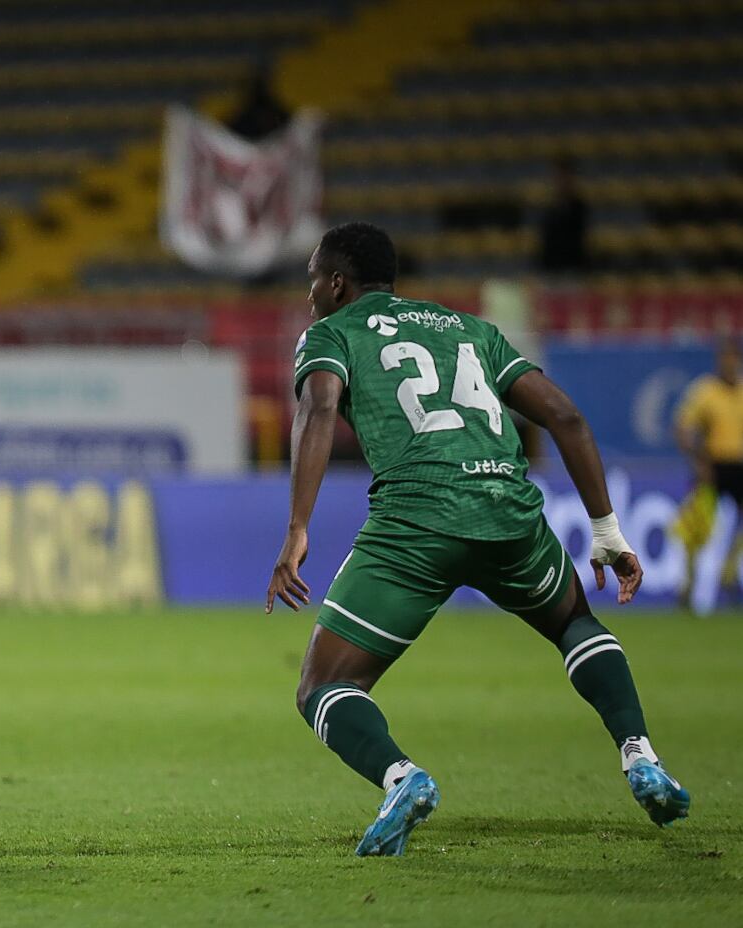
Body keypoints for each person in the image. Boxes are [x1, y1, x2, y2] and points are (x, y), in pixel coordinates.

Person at [265, 222, 689, 857]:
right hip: (507, 511)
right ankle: (641, 757)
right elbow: (566, 416)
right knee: (574, 620)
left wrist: (298, 528)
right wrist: (605, 530)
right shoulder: (469, 329)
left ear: (335, 282)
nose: (308, 297)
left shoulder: (330, 334)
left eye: (311, 283)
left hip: (416, 522)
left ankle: (401, 780)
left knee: (320, 687)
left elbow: (320, 410)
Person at [674, 338, 743, 607]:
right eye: (724, 359)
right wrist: (699, 462)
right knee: (697, 525)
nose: (729, 364)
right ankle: (688, 583)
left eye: (733, 359)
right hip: (713, 466)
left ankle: (729, 573)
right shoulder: (705, 391)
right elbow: (683, 428)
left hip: (740, 465)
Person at [537, 155, 589, 275]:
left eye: (563, 176)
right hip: (550, 270)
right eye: (557, 177)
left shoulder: (579, 206)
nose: (560, 181)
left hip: (572, 269)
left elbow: (577, 237)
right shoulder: (548, 206)